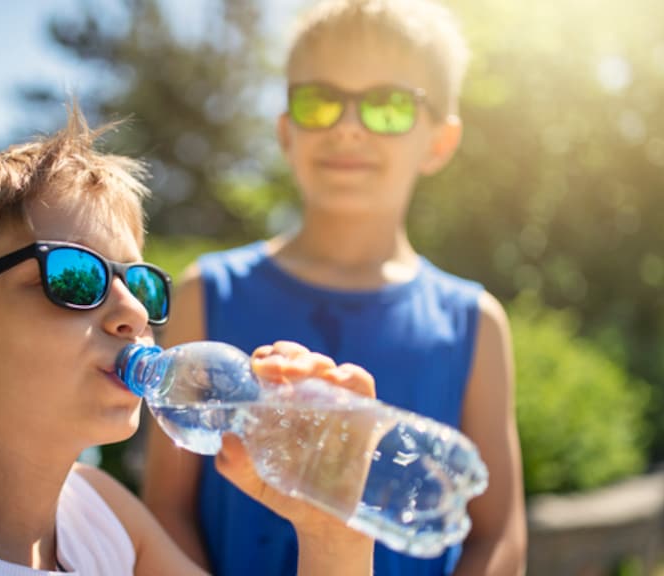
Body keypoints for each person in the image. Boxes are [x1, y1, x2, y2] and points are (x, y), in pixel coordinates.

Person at [0, 105, 378, 576]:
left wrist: (332, 527)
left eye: (143, 284)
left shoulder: (97, 509)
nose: (132, 312)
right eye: (75, 278)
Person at [141, 0, 527, 574]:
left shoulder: (474, 322)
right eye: (320, 101)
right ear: (286, 131)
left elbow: (499, 537)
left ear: (440, 142)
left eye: (390, 105)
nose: (348, 125)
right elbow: (166, 512)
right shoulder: (208, 294)